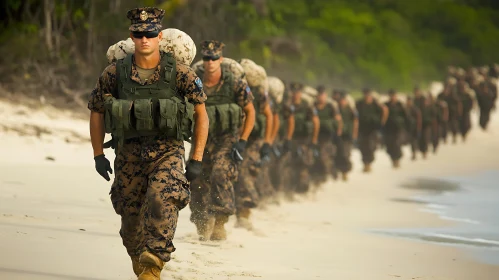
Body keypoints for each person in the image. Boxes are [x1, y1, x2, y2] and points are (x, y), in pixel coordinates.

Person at [88, 7, 209, 279]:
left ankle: (154, 261)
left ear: (159, 36)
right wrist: (98, 154)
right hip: (128, 154)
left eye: (150, 34)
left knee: (161, 198)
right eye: (139, 34)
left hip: (167, 151)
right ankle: (139, 256)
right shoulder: (114, 73)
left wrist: (197, 158)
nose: (144, 39)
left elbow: (201, 113)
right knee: (130, 220)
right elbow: (96, 111)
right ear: (131, 36)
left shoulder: (180, 73)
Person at [190, 40, 256, 241]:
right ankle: (202, 219)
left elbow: (250, 111)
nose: (210, 62)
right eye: (207, 58)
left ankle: (220, 222)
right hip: (202, 137)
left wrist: (242, 140)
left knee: (220, 173)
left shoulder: (235, 83)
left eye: (214, 58)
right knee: (197, 178)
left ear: (220, 59)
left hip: (227, 137)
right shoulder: (194, 80)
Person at [287, 82, 320, 193]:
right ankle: (288, 189)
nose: (296, 94)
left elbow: (316, 122)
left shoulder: (306, 106)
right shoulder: (287, 104)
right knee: (289, 164)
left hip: (304, 140)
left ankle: (302, 190)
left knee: (304, 165)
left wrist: (314, 140)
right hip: (290, 140)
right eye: (294, 92)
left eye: (298, 92)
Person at [311, 86, 342, 185]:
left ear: (326, 95)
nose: (321, 97)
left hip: (326, 137)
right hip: (314, 136)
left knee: (324, 157)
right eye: (319, 95)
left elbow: (338, 119)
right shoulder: (313, 106)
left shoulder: (330, 106)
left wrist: (338, 131)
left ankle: (326, 173)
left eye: (322, 95)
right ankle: (317, 176)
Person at [356, 88, 388, 173]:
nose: (366, 96)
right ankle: (365, 163)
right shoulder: (359, 104)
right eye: (365, 94)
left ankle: (369, 163)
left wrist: (381, 123)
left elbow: (384, 111)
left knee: (371, 146)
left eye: (368, 94)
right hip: (362, 129)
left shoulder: (375, 104)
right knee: (363, 147)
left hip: (372, 129)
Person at [335, 91, 358, 181]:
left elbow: (356, 122)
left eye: (343, 100)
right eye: (341, 100)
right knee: (339, 153)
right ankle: (340, 170)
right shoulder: (336, 109)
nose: (342, 102)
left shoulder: (351, 109)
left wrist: (354, 134)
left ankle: (345, 172)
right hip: (338, 135)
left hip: (348, 135)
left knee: (345, 154)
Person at [384, 89, 409, 168]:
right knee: (389, 146)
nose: (392, 97)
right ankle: (393, 160)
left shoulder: (400, 105)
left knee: (397, 144)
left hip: (398, 129)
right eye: (391, 95)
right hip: (388, 129)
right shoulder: (386, 105)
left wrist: (405, 126)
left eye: (394, 95)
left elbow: (406, 116)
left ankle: (397, 160)